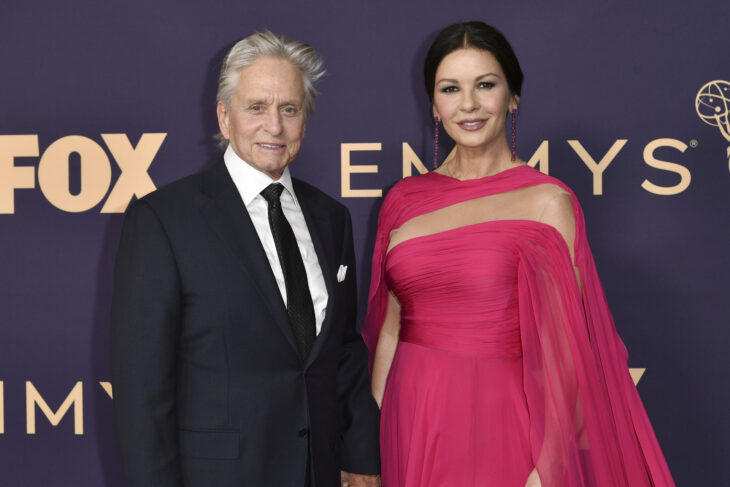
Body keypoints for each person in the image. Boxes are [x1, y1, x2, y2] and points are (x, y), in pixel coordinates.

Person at [362, 21, 675, 487]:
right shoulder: (402, 200)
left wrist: (547, 467)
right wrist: (372, 444)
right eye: (451, 89)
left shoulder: (548, 202)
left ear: (512, 97)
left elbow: (569, 354)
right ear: (434, 103)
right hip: (409, 417)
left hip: (504, 422)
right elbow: (388, 330)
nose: (468, 104)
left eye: (485, 85)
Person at [110, 30, 380, 487]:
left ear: (305, 120)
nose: (274, 126)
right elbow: (142, 393)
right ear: (224, 114)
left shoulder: (331, 218)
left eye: (289, 109)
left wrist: (360, 457)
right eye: (257, 107)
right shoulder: (163, 220)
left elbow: (344, 352)